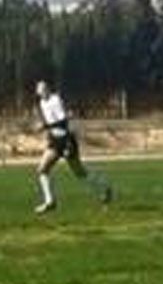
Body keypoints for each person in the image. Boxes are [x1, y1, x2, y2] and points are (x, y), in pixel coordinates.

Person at [31, 80, 114, 214]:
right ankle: (50, 202)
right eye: (39, 90)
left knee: (79, 172)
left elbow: (63, 121)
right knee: (42, 170)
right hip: (55, 141)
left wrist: (45, 126)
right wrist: (47, 131)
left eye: (43, 89)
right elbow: (51, 122)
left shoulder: (55, 99)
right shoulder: (42, 103)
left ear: (48, 89)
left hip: (66, 139)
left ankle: (104, 188)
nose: (41, 91)